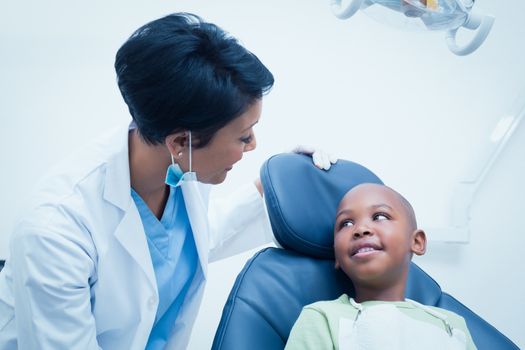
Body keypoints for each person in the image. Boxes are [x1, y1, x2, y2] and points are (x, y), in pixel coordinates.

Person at [0, 12, 335, 350]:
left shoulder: (179, 167)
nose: (253, 146)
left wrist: (272, 191)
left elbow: (186, 242)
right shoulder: (54, 231)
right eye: (244, 136)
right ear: (179, 142)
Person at [285, 183, 476, 350]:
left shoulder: (452, 325)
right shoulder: (322, 319)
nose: (360, 229)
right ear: (336, 255)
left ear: (417, 242)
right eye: (346, 223)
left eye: (380, 217)